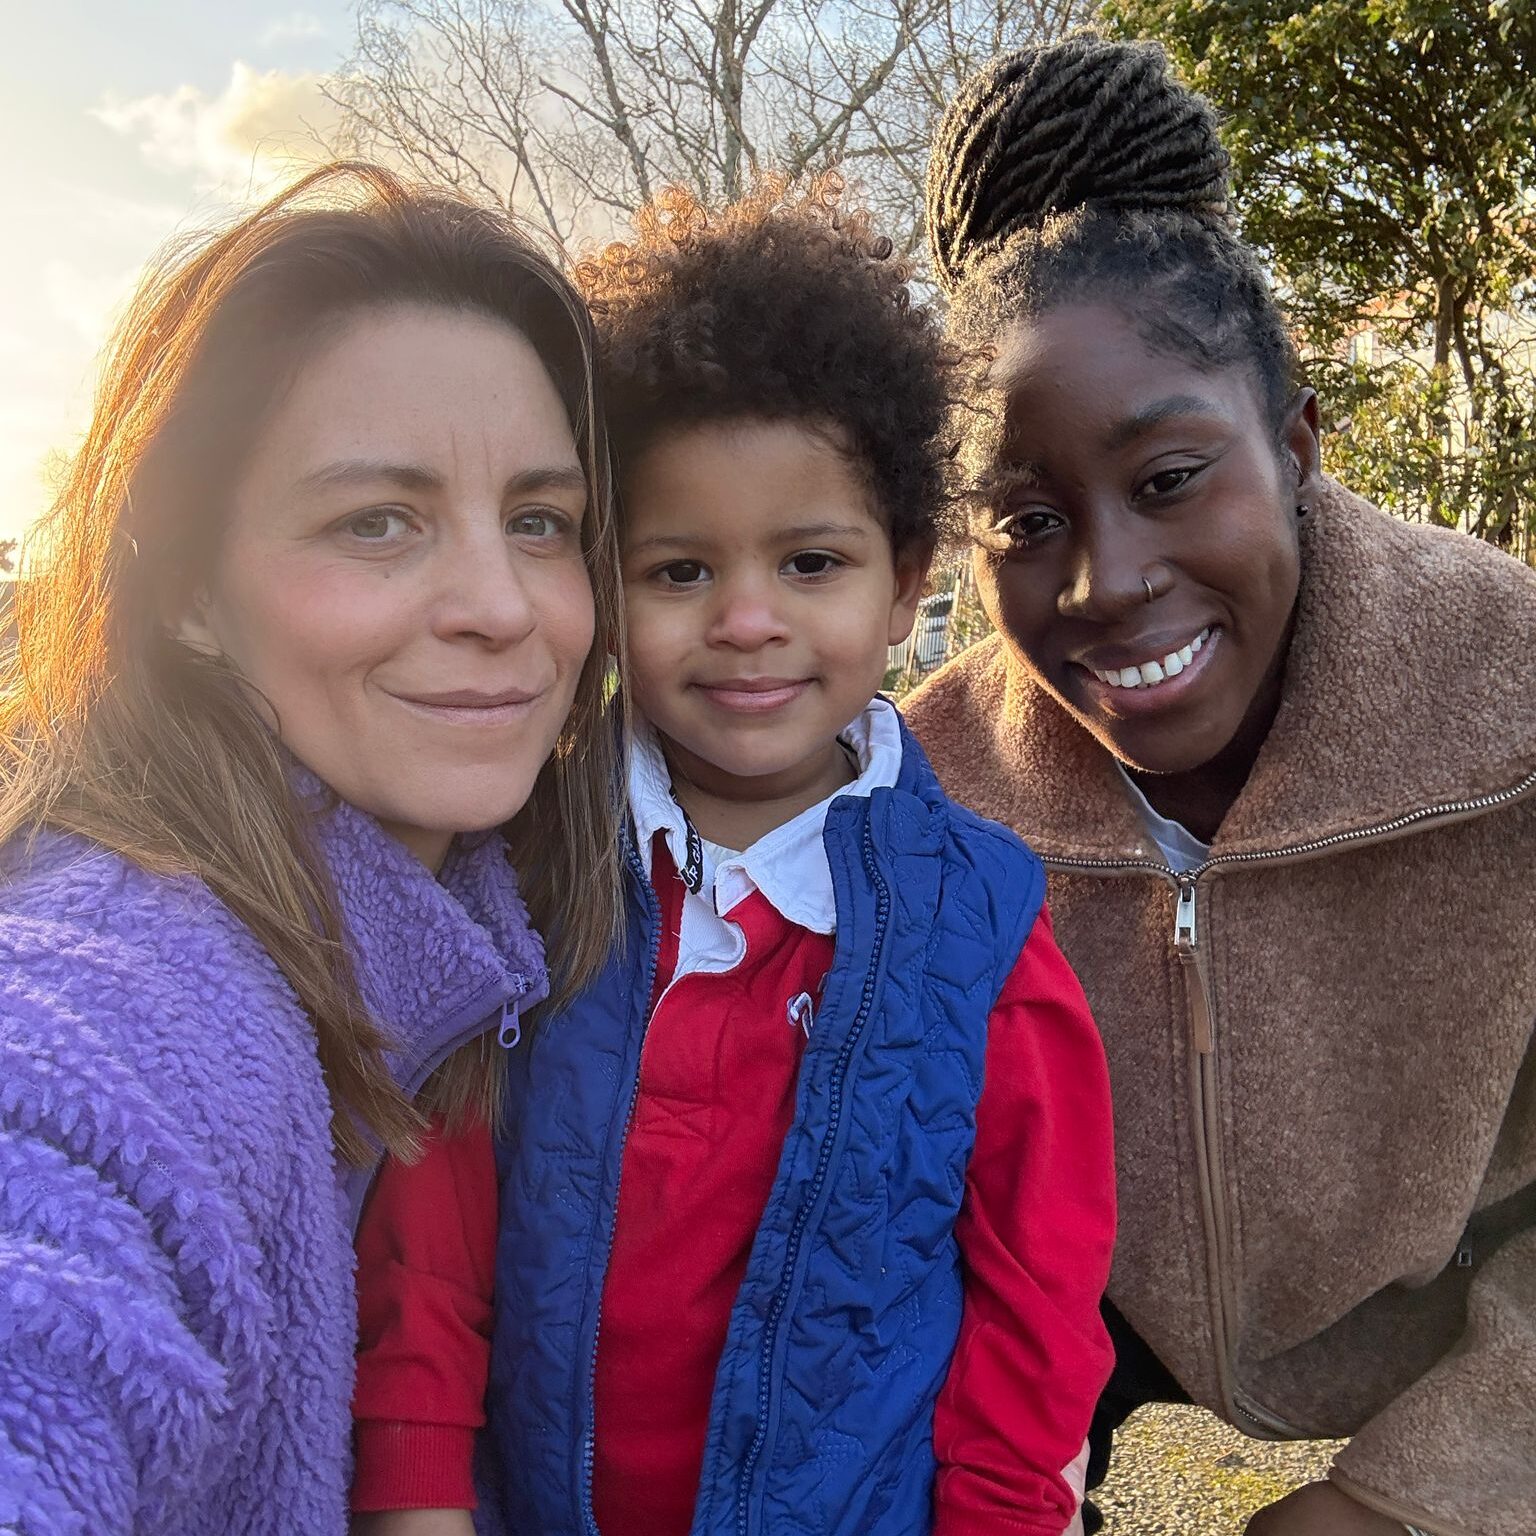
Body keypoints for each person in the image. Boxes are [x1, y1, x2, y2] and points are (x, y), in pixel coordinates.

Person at [348, 178, 1117, 1536]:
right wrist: (414, 1498)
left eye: (811, 562)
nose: (748, 620)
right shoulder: (523, 868)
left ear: (907, 580)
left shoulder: (986, 929)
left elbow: (1036, 1301)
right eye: (680, 571)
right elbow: (432, 1230)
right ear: (602, 585)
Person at [905, 34, 1536, 1536]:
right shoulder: (921, 794)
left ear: (1300, 441)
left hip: (1462, 1311)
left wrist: (1403, 1501)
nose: (1108, 584)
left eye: (1172, 478)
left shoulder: (1516, 706)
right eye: (1027, 517)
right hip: (1084, 1342)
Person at [0, 163, 625, 1534]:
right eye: (377, 522)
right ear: (188, 599)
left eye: (540, 521)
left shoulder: (479, 931)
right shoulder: (142, 992)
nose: (500, 604)